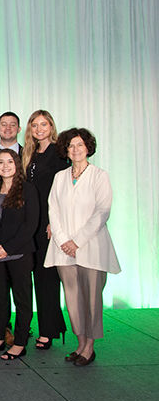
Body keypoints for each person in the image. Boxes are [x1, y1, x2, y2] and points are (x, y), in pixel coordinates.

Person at [45, 128, 120, 366]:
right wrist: (63, 239)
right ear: (65, 150)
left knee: (91, 299)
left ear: (88, 147)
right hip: (62, 248)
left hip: (91, 247)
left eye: (80, 145)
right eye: (71, 146)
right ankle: (80, 342)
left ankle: (90, 346)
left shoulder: (99, 176)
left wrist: (77, 241)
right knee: (72, 298)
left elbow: (102, 212)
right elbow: (53, 210)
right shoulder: (60, 177)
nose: (75, 150)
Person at [0, 150, 38, 360]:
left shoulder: (28, 190)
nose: (5, 166)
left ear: (17, 164)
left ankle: (20, 342)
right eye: (1, 162)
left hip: (19, 255)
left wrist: (8, 249)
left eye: (10, 162)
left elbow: (30, 226)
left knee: (22, 301)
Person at [21, 110, 68, 350]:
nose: (39, 129)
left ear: (51, 126)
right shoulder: (29, 153)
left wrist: (53, 221)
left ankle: (48, 331)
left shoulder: (59, 153)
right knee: (36, 278)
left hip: (48, 225)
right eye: (35, 125)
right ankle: (52, 325)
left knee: (47, 278)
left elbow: (63, 191)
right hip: (31, 223)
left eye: (44, 124)